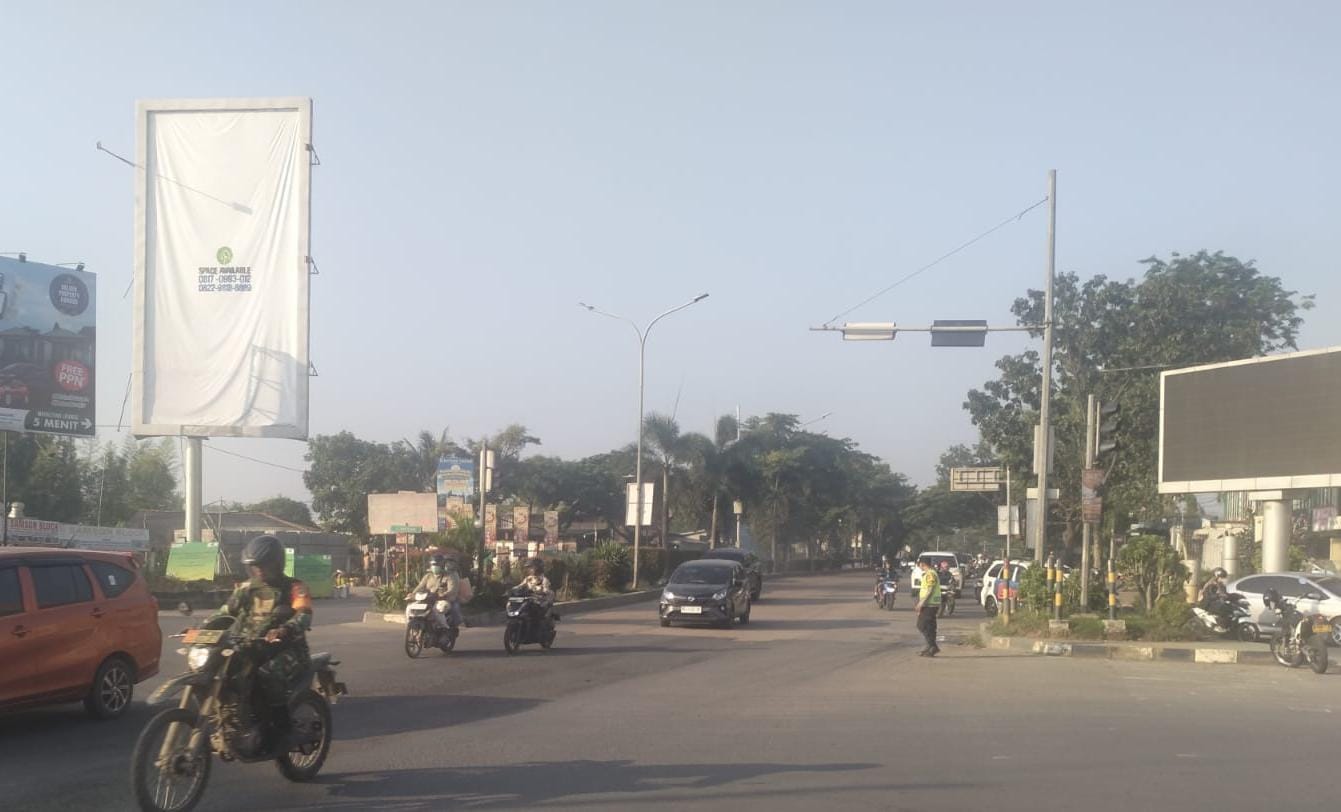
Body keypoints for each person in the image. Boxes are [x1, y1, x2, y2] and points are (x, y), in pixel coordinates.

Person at [207, 534, 312, 744]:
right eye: (255, 566)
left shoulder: (294, 587)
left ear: (277, 563)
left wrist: (285, 629)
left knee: (268, 674)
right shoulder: (246, 588)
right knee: (218, 668)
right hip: (251, 645)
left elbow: (304, 614)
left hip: (286, 648)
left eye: (265, 565)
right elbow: (225, 613)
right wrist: (201, 628)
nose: (259, 570)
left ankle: (283, 729)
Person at [406, 554, 461, 630]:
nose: (434, 567)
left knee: (438, 609)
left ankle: (444, 628)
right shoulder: (428, 576)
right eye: (433, 565)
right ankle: (411, 625)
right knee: (410, 607)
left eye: (437, 565)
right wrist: (413, 593)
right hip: (428, 599)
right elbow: (420, 586)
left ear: (442, 565)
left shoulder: (449, 576)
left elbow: (452, 589)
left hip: (442, 600)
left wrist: (443, 594)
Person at [914, 558, 942, 657]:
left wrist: (921, 603)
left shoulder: (930, 574)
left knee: (922, 625)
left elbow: (930, 589)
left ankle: (932, 645)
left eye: (919, 565)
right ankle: (929, 647)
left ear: (922, 564)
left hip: (930, 604)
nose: (919, 567)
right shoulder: (930, 573)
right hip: (931, 604)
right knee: (930, 626)